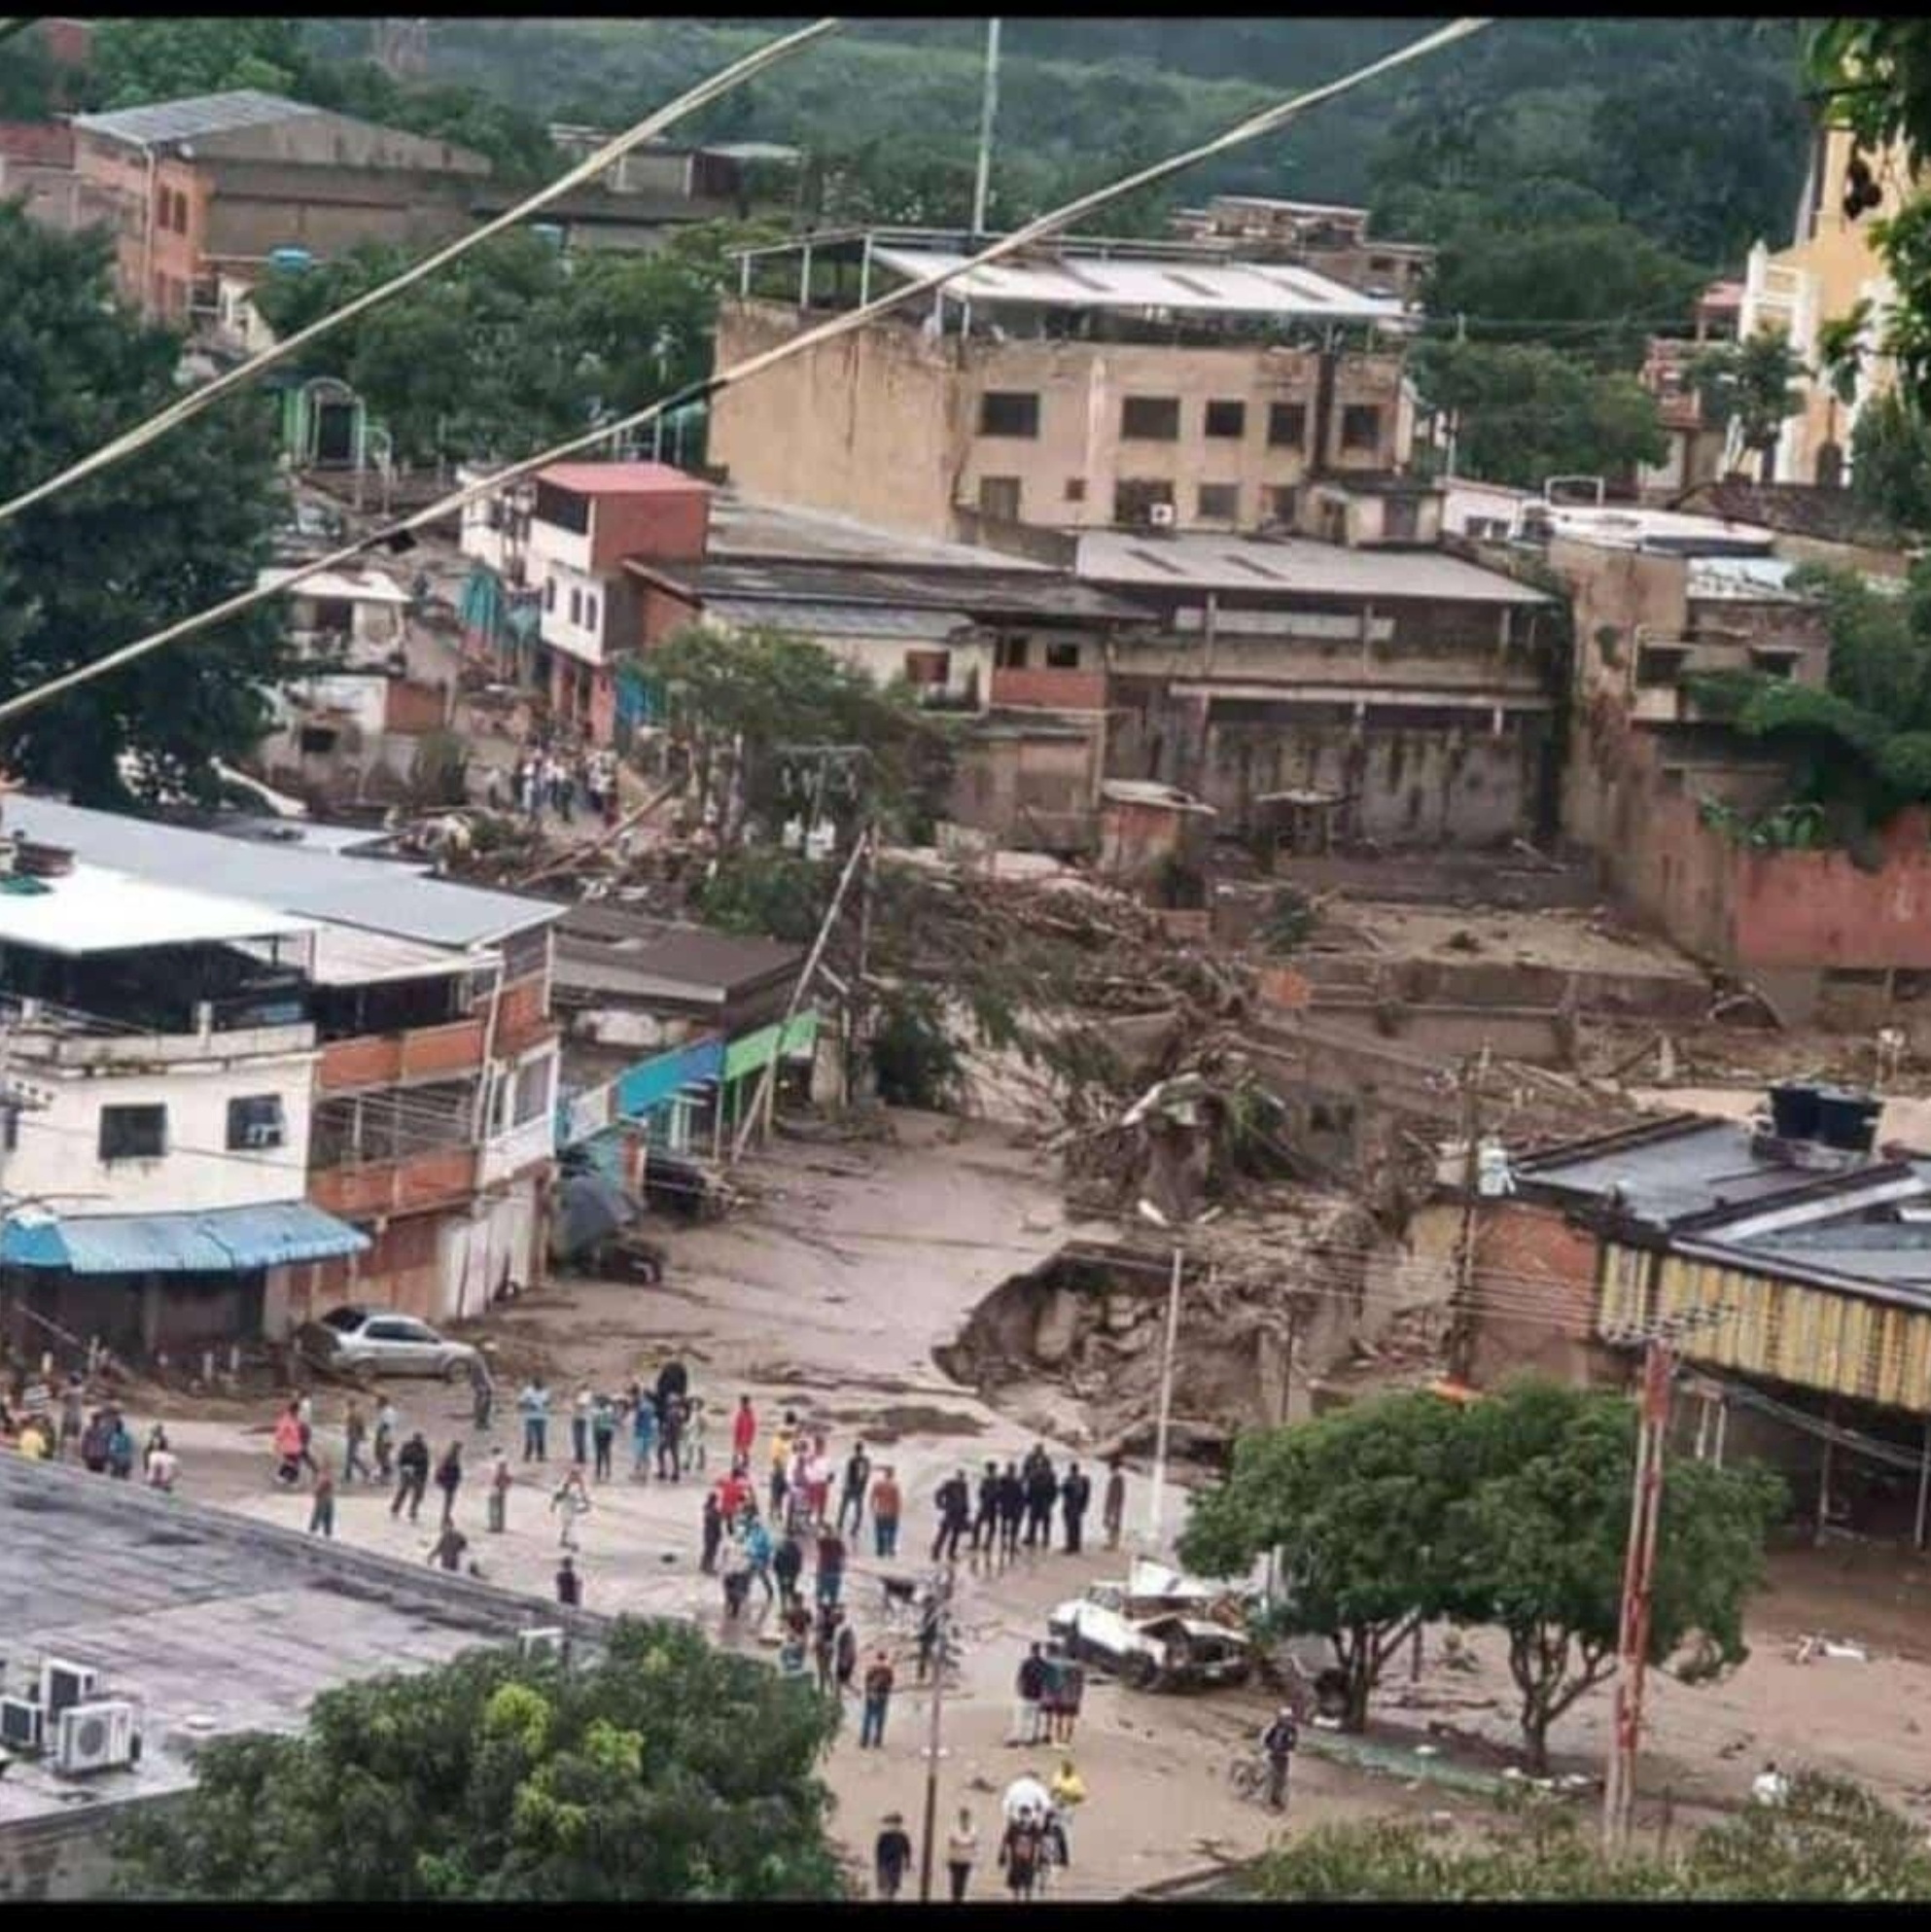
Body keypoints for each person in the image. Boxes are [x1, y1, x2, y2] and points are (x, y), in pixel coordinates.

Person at [1261, 1704, 1300, 1812]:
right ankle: (1266, 1802)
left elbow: (1293, 1742)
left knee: (1281, 1780)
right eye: (1283, 1718)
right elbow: (1268, 1737)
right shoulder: (1275, 1726)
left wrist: (1290, 1751)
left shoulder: (1292, 1730)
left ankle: (1277, 1800)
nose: (1285, 1720)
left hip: (1283, 1757)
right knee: (1270, 1779)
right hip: (1273, 1755)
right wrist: (1267, 1746)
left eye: (1287, 1718)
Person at [999, 1809, 1044, 1901]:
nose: (1025, 1818)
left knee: (1029, 1886)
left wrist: (1037, 1860)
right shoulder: (1014, 1827)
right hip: (1016, 1861)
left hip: (1029, 1861)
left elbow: (1039, 1844)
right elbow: (1006, 1843)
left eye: (1027, 1815)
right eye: (1023, 1815)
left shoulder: (1034, 1828)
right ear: (1020, 1815)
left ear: (1030, 1816)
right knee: (1016, 1887)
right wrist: (1005, 1858)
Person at [1010, 1644, 1048, 1747]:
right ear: (1039, 1650)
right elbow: (1045, 1681)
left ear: (1031, 1650)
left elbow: (1020, 1677)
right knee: (1034, 1719)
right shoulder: (1043, 1664)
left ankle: (1018, 1737)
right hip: (1037, 1694)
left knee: (1021, 1717)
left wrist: (1018, 1689)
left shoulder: (1026, 1662)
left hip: (1025, 1693)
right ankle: (1030, 1739)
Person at [932, 1467, 971, 1564]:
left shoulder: (964, 1485)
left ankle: (950, 1553)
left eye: (962, 1476)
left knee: (954, 1534)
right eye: (960, 1476)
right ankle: (936, 1552)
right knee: (945, 1532)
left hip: (959, 1514)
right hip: (951, 1512)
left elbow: (965, 1499)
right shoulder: (950, 1484)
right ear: (958, 1475)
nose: (961, 1478)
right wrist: (940, 1504)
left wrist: (966, 1511)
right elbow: (938, 1493)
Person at [874, 1813, 914, 1902]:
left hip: (896, 1865)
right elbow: (878, 1852)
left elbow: (907, 1850)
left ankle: (889, 1897)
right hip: (884, 1865)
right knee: (885, 1887)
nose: (894, 1825)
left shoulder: (902, 1836)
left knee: (893, 1887)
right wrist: (880, 1865)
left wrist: (908, 1862)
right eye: (892, 1823)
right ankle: (885, 1896)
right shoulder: (884, 1836)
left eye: (897, 1823)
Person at [393, 1430, 431, 1523]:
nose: (418, 1440)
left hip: (417, 1474)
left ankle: (411, 1511)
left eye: (419, 1438)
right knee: (404, 1491)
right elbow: (401, 1459)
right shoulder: (409, 1447)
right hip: (408, 1473)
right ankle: (397, 1508)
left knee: (415, 1494)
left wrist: (423, 1476)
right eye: (417, 1438)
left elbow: (425, 1464)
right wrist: (403, 1468)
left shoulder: (423, 1449)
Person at [860, 1649, 895, 1748]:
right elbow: (891, 1682)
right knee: (880, 1719)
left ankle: (864, 1741)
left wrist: (869, 1692)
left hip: (871, 1695)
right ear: (885, 1658)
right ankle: (877, 1741)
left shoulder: (872, 1668)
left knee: (867, 1718)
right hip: (882, 1696)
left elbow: (866, 1681)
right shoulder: (888, 1669)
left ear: (877, 1658)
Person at [550, 1465, 592, 1549]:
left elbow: (584, 1496)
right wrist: (553, 1504)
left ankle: (566, 1541)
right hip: (566, 1507)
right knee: (568, 1525)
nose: (576, 1477)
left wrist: (587, 1505)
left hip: (573, 1508)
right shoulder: (566, 1485)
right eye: (574, 1475)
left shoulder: (580, 1485)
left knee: (570, 1525)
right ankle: (572, 1542)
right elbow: (558, 1495)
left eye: (577, 1475)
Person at [836, 1442, 872, 1537]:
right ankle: (854, 1529)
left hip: (850, 1487)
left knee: (844, 1507)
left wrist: (844, 1486)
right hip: (858, 1489)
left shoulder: (852, 1460)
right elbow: (866, 1475)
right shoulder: (866, 1460)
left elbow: (848, 1475)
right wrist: (863, 1487)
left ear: (855, 1450)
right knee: (858, 1510)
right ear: (862, 1449)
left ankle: (839, 1525)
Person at [945, 1806, 979, 1904]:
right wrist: (966, 1843)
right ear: (960, 1817)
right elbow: (952, 1842)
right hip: (955, 1859)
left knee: (963, 1883)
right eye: (963, 1817)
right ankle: (955, 1899)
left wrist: (963, 1843)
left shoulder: (973, 1829)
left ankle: (959, 1899)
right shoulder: (954, 1828)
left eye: (966, 1817)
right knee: (955, 1882)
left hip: (966, 1860)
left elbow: (974, 1843)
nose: (964, 1819)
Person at [1024, 1455, 1058, 1552]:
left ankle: (1032, 1538)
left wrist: (1028, 1501)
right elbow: (1054, 1489)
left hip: (1036, 1501)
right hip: (1045, 1501)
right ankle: (1045, 1540)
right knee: (1045, 1522)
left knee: (1033, 1521)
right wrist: (1052, 1501)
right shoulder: (1051, 1475)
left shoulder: (1034, 1473)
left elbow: (1030, 1488)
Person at [744, 1512, 777, 1606]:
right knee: (748, 1576)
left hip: (761, 1559)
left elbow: (769, 1547)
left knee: (762, 1576)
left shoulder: (763, 1534)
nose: (754, 1525)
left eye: (755, 1524)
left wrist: (760, 1554)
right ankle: (746, 1591)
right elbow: (749, 1544)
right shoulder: (753, 1532)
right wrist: (748, 1551)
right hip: (753, 1558)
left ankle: (770, 1591)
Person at [870, 1463, 902, 1559]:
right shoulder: (894, 1486)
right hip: (891, 1512)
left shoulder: (878, 1484)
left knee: (879, 1531)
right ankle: (890, 1548)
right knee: (891, 1532)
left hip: (880, 1512)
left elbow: (872, 1497)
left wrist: (873, 1509)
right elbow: (897, 1501)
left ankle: (880, 1550)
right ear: (892, 1474)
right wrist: (898, 1512)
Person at [1061, 1461, 1091, 1556]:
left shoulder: (1071, 1480)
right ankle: (1076, 1545)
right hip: (1076, 1507)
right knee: (1076, 1526)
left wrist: (1067, 1490)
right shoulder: (1079, 1480)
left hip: (1071, 1506)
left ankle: (1071, 1546)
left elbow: (1071, 1492)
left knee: (1071, 1527)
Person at [518, 1377, 551, 1463]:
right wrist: (529, 1404)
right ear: (534, 1384)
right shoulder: (527, 1391)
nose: (539, 1386)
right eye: (538, 1385)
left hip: (542, 1417)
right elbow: (520, 1403)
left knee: (541, 1437)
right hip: (530, 1418)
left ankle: (541, 1455)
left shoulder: (545, 1391)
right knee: (530, 1437)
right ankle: (527, 1455)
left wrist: (545, 1404)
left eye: (541, 1385)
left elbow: (548, 1402)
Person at [271, 1401, 305, 1486]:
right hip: (289, 1447)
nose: (299, 1413)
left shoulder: (295, 1419)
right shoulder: (286, 1419)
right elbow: (279, 1433)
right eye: (298, 1411)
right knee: (293, 1464)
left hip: (295, 1446)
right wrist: (276, 1445)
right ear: (293, 1410)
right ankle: (291, 1480)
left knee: (290, 1464)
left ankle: (283, 1478)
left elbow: (297, 1432)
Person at [971, 1458, 1001, 1556]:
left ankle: (976, 1543)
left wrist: (983, 1498)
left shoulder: (987, 1479)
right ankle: (987, 1544)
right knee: (991, 1526)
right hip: (993, 1505)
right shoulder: (996, 1479)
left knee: (977, 1525)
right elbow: (998, 1492)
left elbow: (982, 1492)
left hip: (986, 1504)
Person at [997, 1461, 1026, 1560]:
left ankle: (1003, 1543)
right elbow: (1021, 1496)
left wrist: (999, 1504)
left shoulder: (1002, 1480)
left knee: (1004, 1525)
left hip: (1005, 1506)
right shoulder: (1017, 1482)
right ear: (1014, 1470)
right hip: (1014, 1508)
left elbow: (999, 1493)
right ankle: (1012, 1545)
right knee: (1014, 1527)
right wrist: (1021, 1508)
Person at [769, 1413, 796, 1517]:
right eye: (787, 1433)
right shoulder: (777, 1440)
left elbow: (794, 1453)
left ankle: (778, 1511)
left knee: (782, 1493)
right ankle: (774, 1511)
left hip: (788, 1470)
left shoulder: (790, 1439)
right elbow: (775, 1458)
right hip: (779, 1470)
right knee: (776, 1493)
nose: (790, 1433)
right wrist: (781, 1470)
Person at [815, 1522, 846, 1609]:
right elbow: (843, 1556)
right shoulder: (837, 1542)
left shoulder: (825, 1542)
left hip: (825, 1571)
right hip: (834, 1571)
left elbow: (818, 1538)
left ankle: (822, 1612)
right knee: (833, 1596)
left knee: (821, 1595)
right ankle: (830, 1610)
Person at [773, 1523, 805, 1607]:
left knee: (783, 1590)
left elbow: (776, 1561)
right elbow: (798, 1563)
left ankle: (785, 1606)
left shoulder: (782, 1547)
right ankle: (788, 1606)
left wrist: (777, 1570)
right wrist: (796, 1572)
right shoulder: (796, 1548)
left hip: (784, 1573)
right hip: (789, 1573)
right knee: (788, 1590)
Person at [434, 1440, 465, 1526]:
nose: (460, 1450)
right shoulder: (450, 1457)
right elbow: (445, 1469)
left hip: (451, 1482)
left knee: (449, 1501)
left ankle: (446, 1517)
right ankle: (445, 1518)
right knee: (448, 1501)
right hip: (449, 1483)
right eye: (459, 1448)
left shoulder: (452, 1456)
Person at [630, 1388, 657, 1481]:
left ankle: (636, 1473)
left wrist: (635, 1424)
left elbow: (637, 1420)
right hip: (649, 1433)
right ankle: (644, 1473)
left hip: (640, 1433)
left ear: (645, 1396)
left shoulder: (642, 1407)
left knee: (638, 1454)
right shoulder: (652, 1406)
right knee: (645, 1454)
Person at [657, 1389, 685, 1482]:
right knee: (675, 1454)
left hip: (668, 1436)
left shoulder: (670, 1412)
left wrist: (664, 1433)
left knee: (660, 1452)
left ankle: (662, 1471)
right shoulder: (680, 1412)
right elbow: (680, 1425)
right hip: (676, 1436)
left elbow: (668, 1426)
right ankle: (676, 1473)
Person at [813, 1606, 840, 1696]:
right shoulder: (832, 1619)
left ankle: (825, 1687)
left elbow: (816, 1629)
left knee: (822, 1668)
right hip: (827, 1645)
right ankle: (830, 1688)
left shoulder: (822, 1620)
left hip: (823, 1645)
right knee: (826, 1668)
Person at [589, 1392, 616, 1482]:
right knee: (607, 1451)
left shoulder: (596, 1411)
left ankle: (598, 1472)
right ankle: (608, 1471)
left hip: (599, 1432)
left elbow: (594, 1422)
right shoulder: (611, 1410)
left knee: (599, 1452)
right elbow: (614, 1421)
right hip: (609, 1432)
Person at [1102, 1458, 1127, 1552]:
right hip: (1113, 1505)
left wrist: (1114, 1507)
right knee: (1112, 1524)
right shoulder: (1116, 1478)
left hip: (1114, 1506)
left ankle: (1113, 1544)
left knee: (1114, 1525)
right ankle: (1112, 1543)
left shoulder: (1117, 1479)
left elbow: (1116, 1494)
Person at [308, 1458, 337, 1537]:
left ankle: (325, 1535)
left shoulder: (327, 1474)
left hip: (327, 1498)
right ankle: (312, 1534)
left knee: (327, 1519)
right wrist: (316, 1491)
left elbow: (328, 1484)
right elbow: (320, 1485)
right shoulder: (323, 1474)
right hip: (323, 1498)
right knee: (319, 1518)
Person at [343, 1402, 369, 1484]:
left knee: (352, 1456)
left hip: (353, 1437)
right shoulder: (354, 1413)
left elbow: (360, 1425)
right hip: (353, 1436)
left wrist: (362, 1435)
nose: (348, 1407)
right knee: (350, 1456)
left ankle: (365, 1471)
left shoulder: (354, 1413)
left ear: (351, 1405)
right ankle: (348, 1475)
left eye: (348, 1405)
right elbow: (359, 1425)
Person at [487, 1448, 512, 1532]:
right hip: (502, 1486)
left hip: (497, 1486)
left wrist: (494, 1484)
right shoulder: (504, 1461)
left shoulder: (498, 1462)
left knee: (494, 1506)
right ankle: (500, 1526)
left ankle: (494, 1526)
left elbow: (496, 1474)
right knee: (500, 1506)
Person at [700, 1491, 724, 1575]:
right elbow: (715, 1521)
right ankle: (708, 1567)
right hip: (712, 1533)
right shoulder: (711, 1510)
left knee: (708, 1550)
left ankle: (704, 1565)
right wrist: (719, 1516)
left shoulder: (709, 1508)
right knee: (711, 1551)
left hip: (709, 1533)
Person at [373, 1398, 398, 1481]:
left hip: (386, 1437)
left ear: (382, 1402)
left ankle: (387, 1474)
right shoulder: (385, 1411)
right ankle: (385, 1474)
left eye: (378, 1401)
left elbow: (386, 1425)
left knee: (383, 1455)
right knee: (382, 1455)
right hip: (386, 1436)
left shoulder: (388, 1411)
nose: (377, 1403)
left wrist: (379, 1434)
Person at [835, 1615, 860, 1697]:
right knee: (844, 1680)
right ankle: (856, 1692)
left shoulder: (843, 1632)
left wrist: (844, 1660)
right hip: (849, 1658)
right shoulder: (849, 1632)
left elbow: (845, 1648)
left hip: (845, 1659)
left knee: (840, 1679)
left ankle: (837, 1697)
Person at [470, 1354, 494, 1431]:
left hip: (482, 1385)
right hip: (482, 1385)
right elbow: (484, 1375)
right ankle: (481, 1422)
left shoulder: (480, 1360)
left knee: (485, 1402)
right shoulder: (479, 1362)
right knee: (482, 1403)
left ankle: (482, 1421)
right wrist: (490, 1385)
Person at [685, 1395, 709, 1474]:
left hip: (697, 1433)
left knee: (699, 1448)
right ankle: (690, 1462)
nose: (693, 1405)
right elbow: (691, 1423)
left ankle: (700, 1463)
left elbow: (704, 1424)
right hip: (693, 1433)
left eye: (695, 1403)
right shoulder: (694, 1413)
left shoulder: (700, 1414)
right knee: (692, 1447)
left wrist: (700, 1432)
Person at [732, 1393, 757, 1466]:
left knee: (744, 1454)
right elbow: (737, 1427)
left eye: (743, 1403)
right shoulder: (741, 1413)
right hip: (739, 1438)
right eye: (742, 1403)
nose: (742, 1404)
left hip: (745, 1439)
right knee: (737, 1455)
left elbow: (752, 1428)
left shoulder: (749, 1414)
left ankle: (744, 1468)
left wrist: (747, 1439)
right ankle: (737, 1469)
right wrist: (737, 1439)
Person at [570, 1383, 592, 1467]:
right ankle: (578, 1456)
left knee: (580, 1438)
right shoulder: (581, 1394)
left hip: (582, 1418)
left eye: (579, 1386)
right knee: (576, 1438)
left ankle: (581, 1457)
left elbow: (580, 1405)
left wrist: (575, 1398)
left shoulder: (586, 1394)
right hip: (576, 1417)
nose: (577, 1387)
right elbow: (574, 1404)